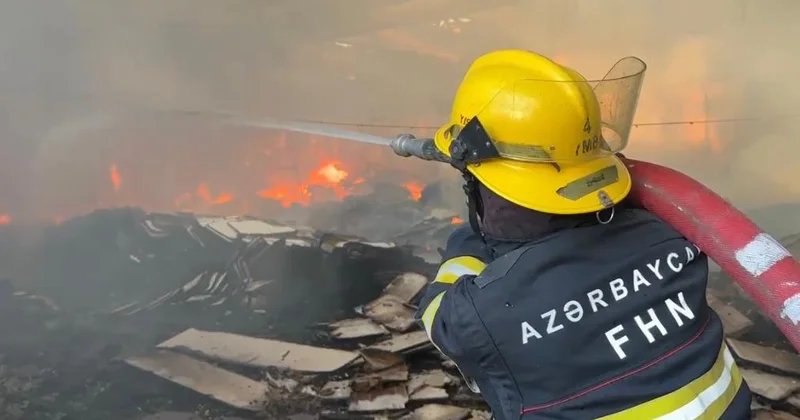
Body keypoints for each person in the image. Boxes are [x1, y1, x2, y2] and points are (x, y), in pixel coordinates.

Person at [414, 49, 752, 420]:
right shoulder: (672, 235)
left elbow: (438, 314)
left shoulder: (483, 315)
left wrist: (472, 234)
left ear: (481, 178)